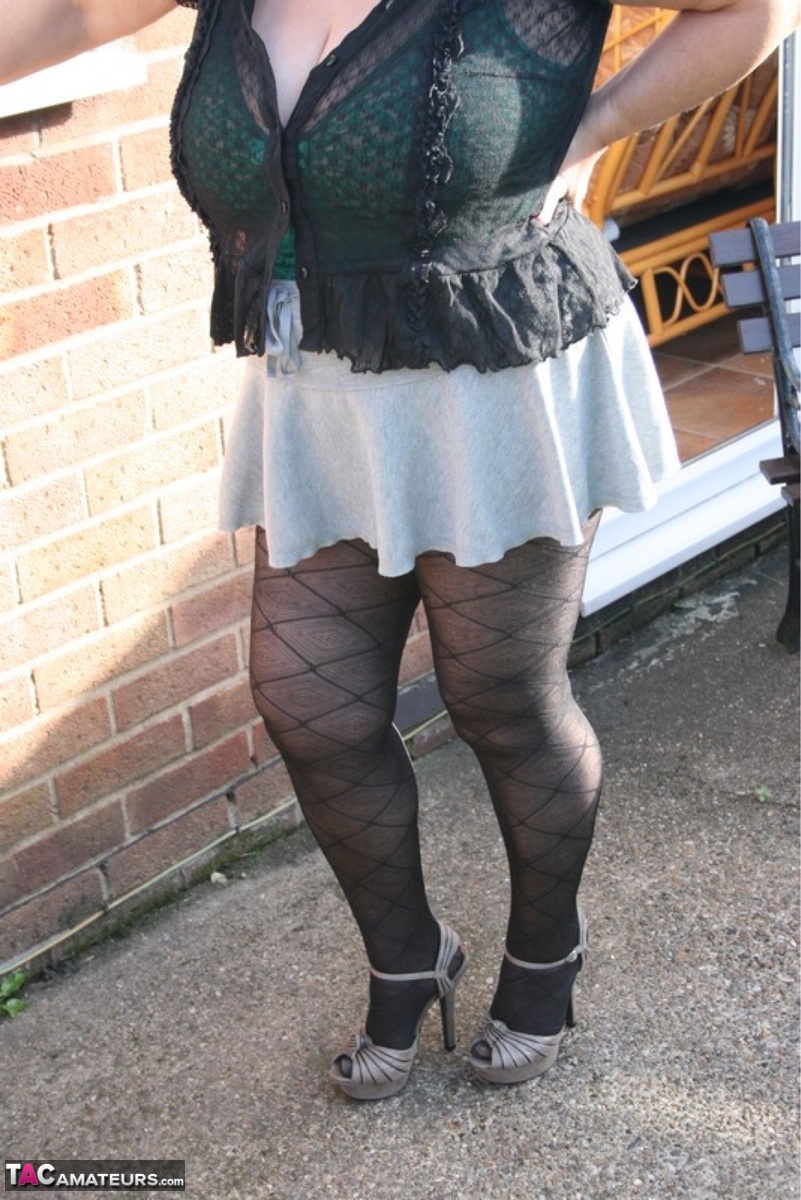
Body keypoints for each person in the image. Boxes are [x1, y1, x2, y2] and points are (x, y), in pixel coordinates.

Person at [4, 0, 797, 1100]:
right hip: (320, 384)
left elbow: (756, 8)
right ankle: (410, 956)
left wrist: (594, 124)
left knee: (498, 698)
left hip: (496, 369)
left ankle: (546, 954)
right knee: (309, 703)